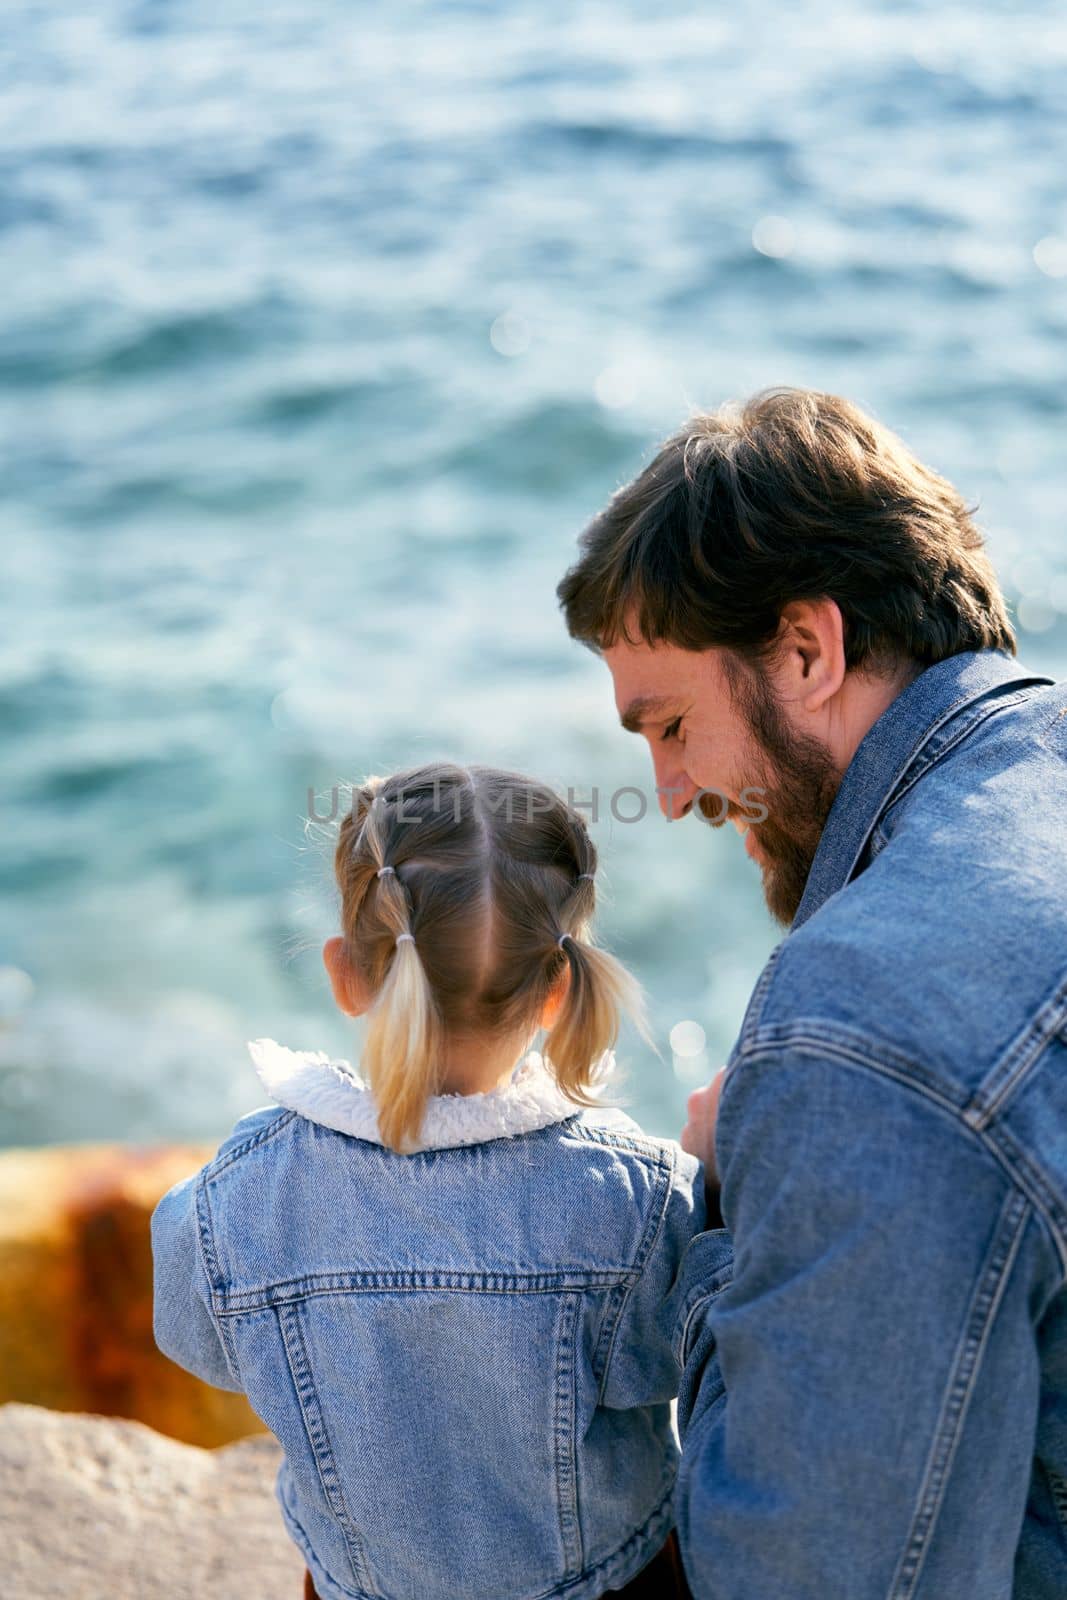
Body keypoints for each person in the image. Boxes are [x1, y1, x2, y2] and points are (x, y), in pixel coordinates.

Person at [557, 386, 1067, 1598]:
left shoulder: (857, 1029)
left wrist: (727, 1215)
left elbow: (810, 1573)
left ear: (803, 650)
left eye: (671, 724)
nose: (669, 793)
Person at [151, 762, 703, 1600]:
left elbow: (198, 1340)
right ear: (558, 988)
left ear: (346, 973)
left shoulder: (239, 1197)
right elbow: (695, 1357)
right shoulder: (635, 1200)